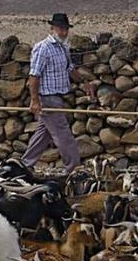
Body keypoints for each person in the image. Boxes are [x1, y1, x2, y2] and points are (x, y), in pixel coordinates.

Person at [21, 13, 97, 174]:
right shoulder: (43, 48)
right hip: (48, 98)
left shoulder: (63, 47)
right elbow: (34, 75)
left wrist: (83, 82)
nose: (63, 32)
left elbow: (69, 68)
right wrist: (35, 100)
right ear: (52, 28)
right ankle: (74, 169)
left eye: (65, 29)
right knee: (64, 135)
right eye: (60, 28)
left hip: (57, 97)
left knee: (44, 134)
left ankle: (24, 165)